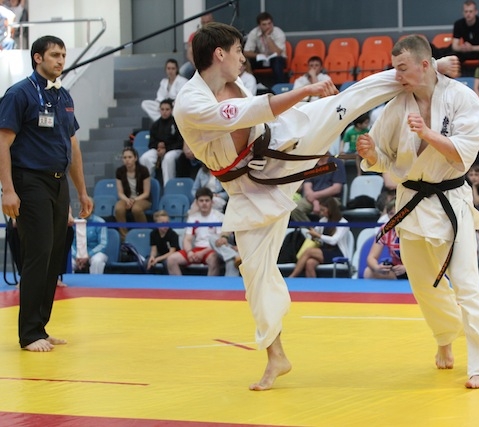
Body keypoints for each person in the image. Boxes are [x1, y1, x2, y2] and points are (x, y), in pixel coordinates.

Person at [173, 22, 459, 391]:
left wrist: (430, 67)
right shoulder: (190, 103)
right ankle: (276, 355)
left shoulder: (234, 81)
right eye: (238, 51)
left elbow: (261, 115)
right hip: (251, 188)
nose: (244, 59)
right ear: (219, 54)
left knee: (347, 101)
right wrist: (305, 90)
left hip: (284, 141)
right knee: (256, 273)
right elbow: (248, 112)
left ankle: (425, 70)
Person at [356, 35, 479, 389]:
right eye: (394, 69)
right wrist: (371, 154)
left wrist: (427, 133)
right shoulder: (397, 105)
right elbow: (384, 158)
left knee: (466, 283)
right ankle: (445, 337)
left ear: (425, 65)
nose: (397, 76)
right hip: (410, 201)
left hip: (451, 201)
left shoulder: (462, 98)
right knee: (423, 284)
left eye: (402, 68)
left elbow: (462, 154)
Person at [0, 35, 92, 352]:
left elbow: (73, 146)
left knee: (54, 255)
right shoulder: (19, 94)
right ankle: (28, 334)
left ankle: (40, 325)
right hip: (29, 181)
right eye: (54, 55)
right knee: (38, 252)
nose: (61, 60)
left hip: (57, 182)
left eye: (63, 55)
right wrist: (8, 190)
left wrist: (82, 192)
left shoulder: (63, 95)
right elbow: (2, 143)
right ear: (38, 58)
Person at [166, 187, 238, 276]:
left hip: (211, 250)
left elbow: (218, 242)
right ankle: (179, 284)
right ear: (197, 202)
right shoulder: (192, 218)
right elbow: (187, 239)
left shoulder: (219, 217)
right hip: (196, 249)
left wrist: (202, 253)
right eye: (201, 201)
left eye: (207, 201)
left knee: (213, 259)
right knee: (171, 259)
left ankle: (210, 285)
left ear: (212, 202)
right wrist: (189, 252)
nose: (204, 203)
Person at [288, 197, 349, 278]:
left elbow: (334, 241)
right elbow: (316, 232)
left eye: (323, 210)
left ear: (330, 209)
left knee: (309, 251)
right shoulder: (323, 220)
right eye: (320, 210)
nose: (321, 213)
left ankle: (292, 276)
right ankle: (312, 285)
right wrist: (313, 233)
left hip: (337, 253)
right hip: (324, 250)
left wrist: (318, 235)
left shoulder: (343, 223)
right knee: (309, 263)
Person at [139, 98, 184, 186]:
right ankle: (147, 184)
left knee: (168, 158)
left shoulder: (177, 123)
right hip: (159, 150)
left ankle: (168, 185)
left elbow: (180, 142)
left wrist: (166, 148)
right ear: (159, 110)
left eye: (167, 109)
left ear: (171, 110)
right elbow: (151, 143)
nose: (164, 112)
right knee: (145, 158)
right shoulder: (155, 125)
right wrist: (158, 146)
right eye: (162, 109)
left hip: (175, 150)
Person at [290, 154, 346, 223]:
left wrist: (315, 197)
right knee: (295, 209)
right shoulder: (311, 164)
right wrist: (315, 202)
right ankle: (310, 229)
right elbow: (307, 187)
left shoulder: (337, 162)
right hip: (312, 199)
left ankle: (328, 229)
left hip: (331, 198)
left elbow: (336, 188)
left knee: (325, 209)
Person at [363, 199, 407, 280]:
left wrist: (407, 268)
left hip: (417, 269)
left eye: (398, 212)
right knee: (368, 272)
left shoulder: (416, 229)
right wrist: (377, 268)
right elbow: (371, 257)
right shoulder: (385, 229)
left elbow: (426, 258)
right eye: (391, 213)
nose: (394, 216)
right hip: (396, 270)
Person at [114, 147, 151, 240]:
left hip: (142, 198)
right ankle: (124, 237)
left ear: (135, 158)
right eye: (125, 157)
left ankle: (144, 233)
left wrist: (133, 200)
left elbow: (146, 193)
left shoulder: (143, 170)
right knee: (118, 208)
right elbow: (120, 193)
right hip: (126, 198)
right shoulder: (119, 171)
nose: (127, 160)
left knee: (136, 209)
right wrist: (127, 200)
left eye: (130, 157)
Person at [243, 12, 288, 85]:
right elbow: (246, 52)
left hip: (277, 59)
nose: (268, 26)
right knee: (247, 62)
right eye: (264, 24)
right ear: (259, 26)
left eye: (269, 23)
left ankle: (279, 86)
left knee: (277, 62)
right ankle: (252, 85)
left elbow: (277, 53)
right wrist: (259, 55)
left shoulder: (279, 33)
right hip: (261, 58)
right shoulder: (254, 33)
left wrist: (268, 37)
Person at [71, 198, 108, 274]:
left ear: (92, 208)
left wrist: (88, 255)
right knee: (69, 261)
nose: (84, 208)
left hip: (95, 253)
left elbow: (103, 244)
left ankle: (95, 281)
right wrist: (76, 255)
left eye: (87, 206)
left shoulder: (100, 222)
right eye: (82, 206)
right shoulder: (74, 222)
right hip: (77, 254)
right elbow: (71, 243)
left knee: (97, 261)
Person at [451, 0, 479, 66]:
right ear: (463, 13)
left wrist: (472, 48)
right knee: (453, 55)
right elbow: (454, 46)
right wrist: (462, 48)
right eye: (466, 11)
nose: (468, 14)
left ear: (476, 12)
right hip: (466, 51)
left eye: (470, 11)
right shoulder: (458, 24)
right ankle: (458, 73)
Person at [180, 12, 215, 79]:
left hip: (214, 62)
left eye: (208, 22)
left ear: (212, 21)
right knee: (182, 71)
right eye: (203, 22)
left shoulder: (218, 34)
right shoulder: (195, 35)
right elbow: (189, 54)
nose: (206, 24)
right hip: (198, 63)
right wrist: (197, 66)